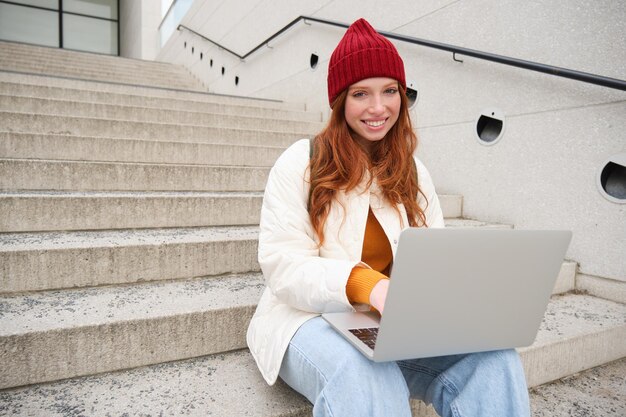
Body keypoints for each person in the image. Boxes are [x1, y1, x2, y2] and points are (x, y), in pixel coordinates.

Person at [246, 18, 530, 417]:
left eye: (389, 91)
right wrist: (366, 284)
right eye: (361, 93)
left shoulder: (413, 171)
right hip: (307, 319)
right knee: (365, 370)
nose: (378, 108)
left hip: (394, 325)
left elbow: (437, 259)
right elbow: (283, 265)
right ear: (340, 100)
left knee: (493, 357)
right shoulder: (302, 162)